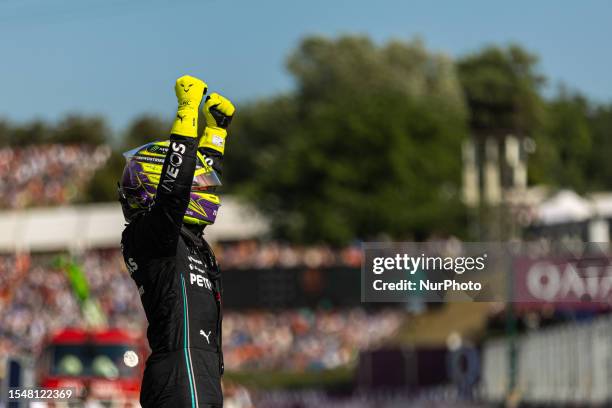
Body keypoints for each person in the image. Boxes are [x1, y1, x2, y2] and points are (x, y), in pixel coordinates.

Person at [118, 75, 235, 408]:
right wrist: (187, 113)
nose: (208, 192)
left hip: (200, 373)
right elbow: (176, 192)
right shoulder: (148, 236)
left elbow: (199, 176)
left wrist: (217, 131)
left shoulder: (186, 239)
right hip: (181, 375)